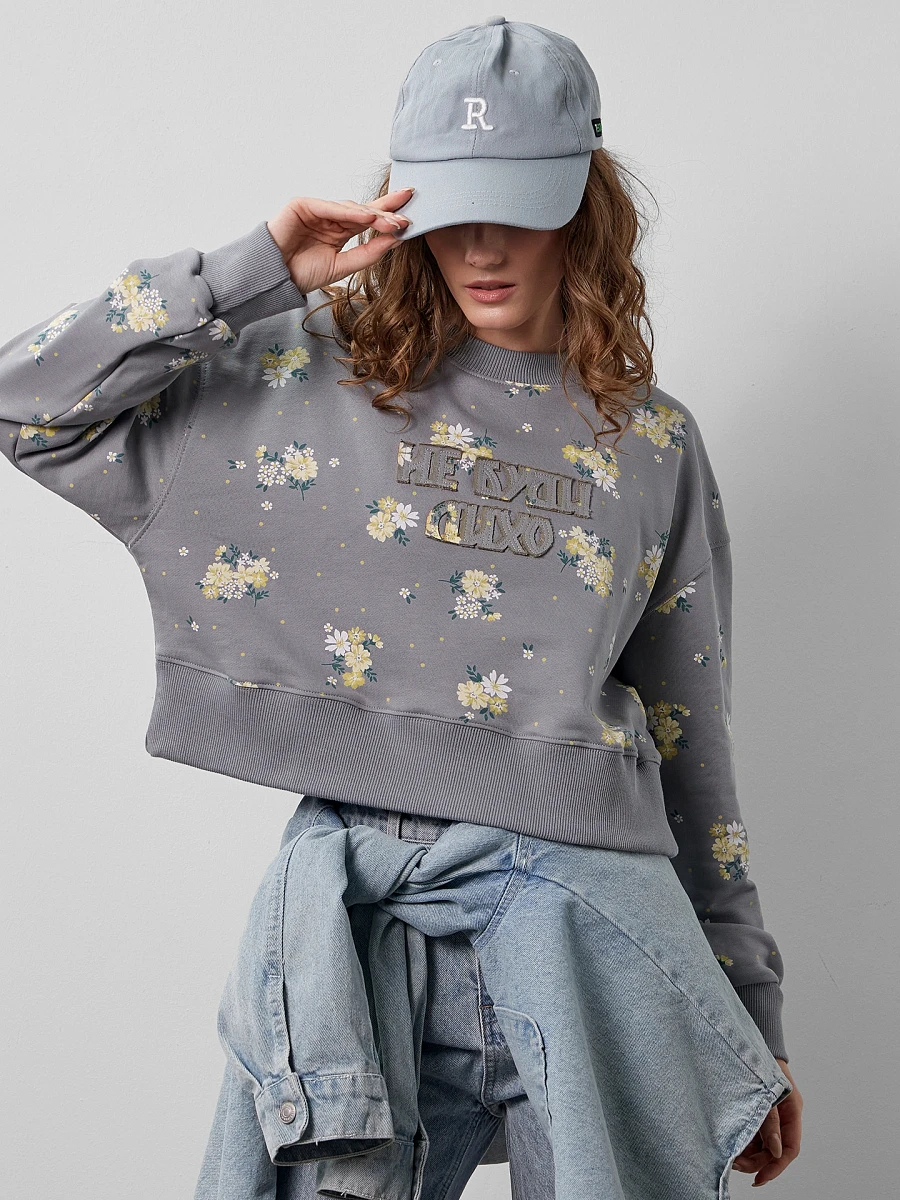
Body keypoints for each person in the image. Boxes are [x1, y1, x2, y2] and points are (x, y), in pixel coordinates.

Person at [0, 15, 802, 1198]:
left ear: (585, 204)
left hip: (587, 916)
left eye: (518, 206)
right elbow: (26, 406)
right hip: (355, 918)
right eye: (452, 205)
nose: (481, 246)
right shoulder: (294, 373)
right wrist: (253, 271)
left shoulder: (651, 441)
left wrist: (746, 1007)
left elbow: (693, 740)